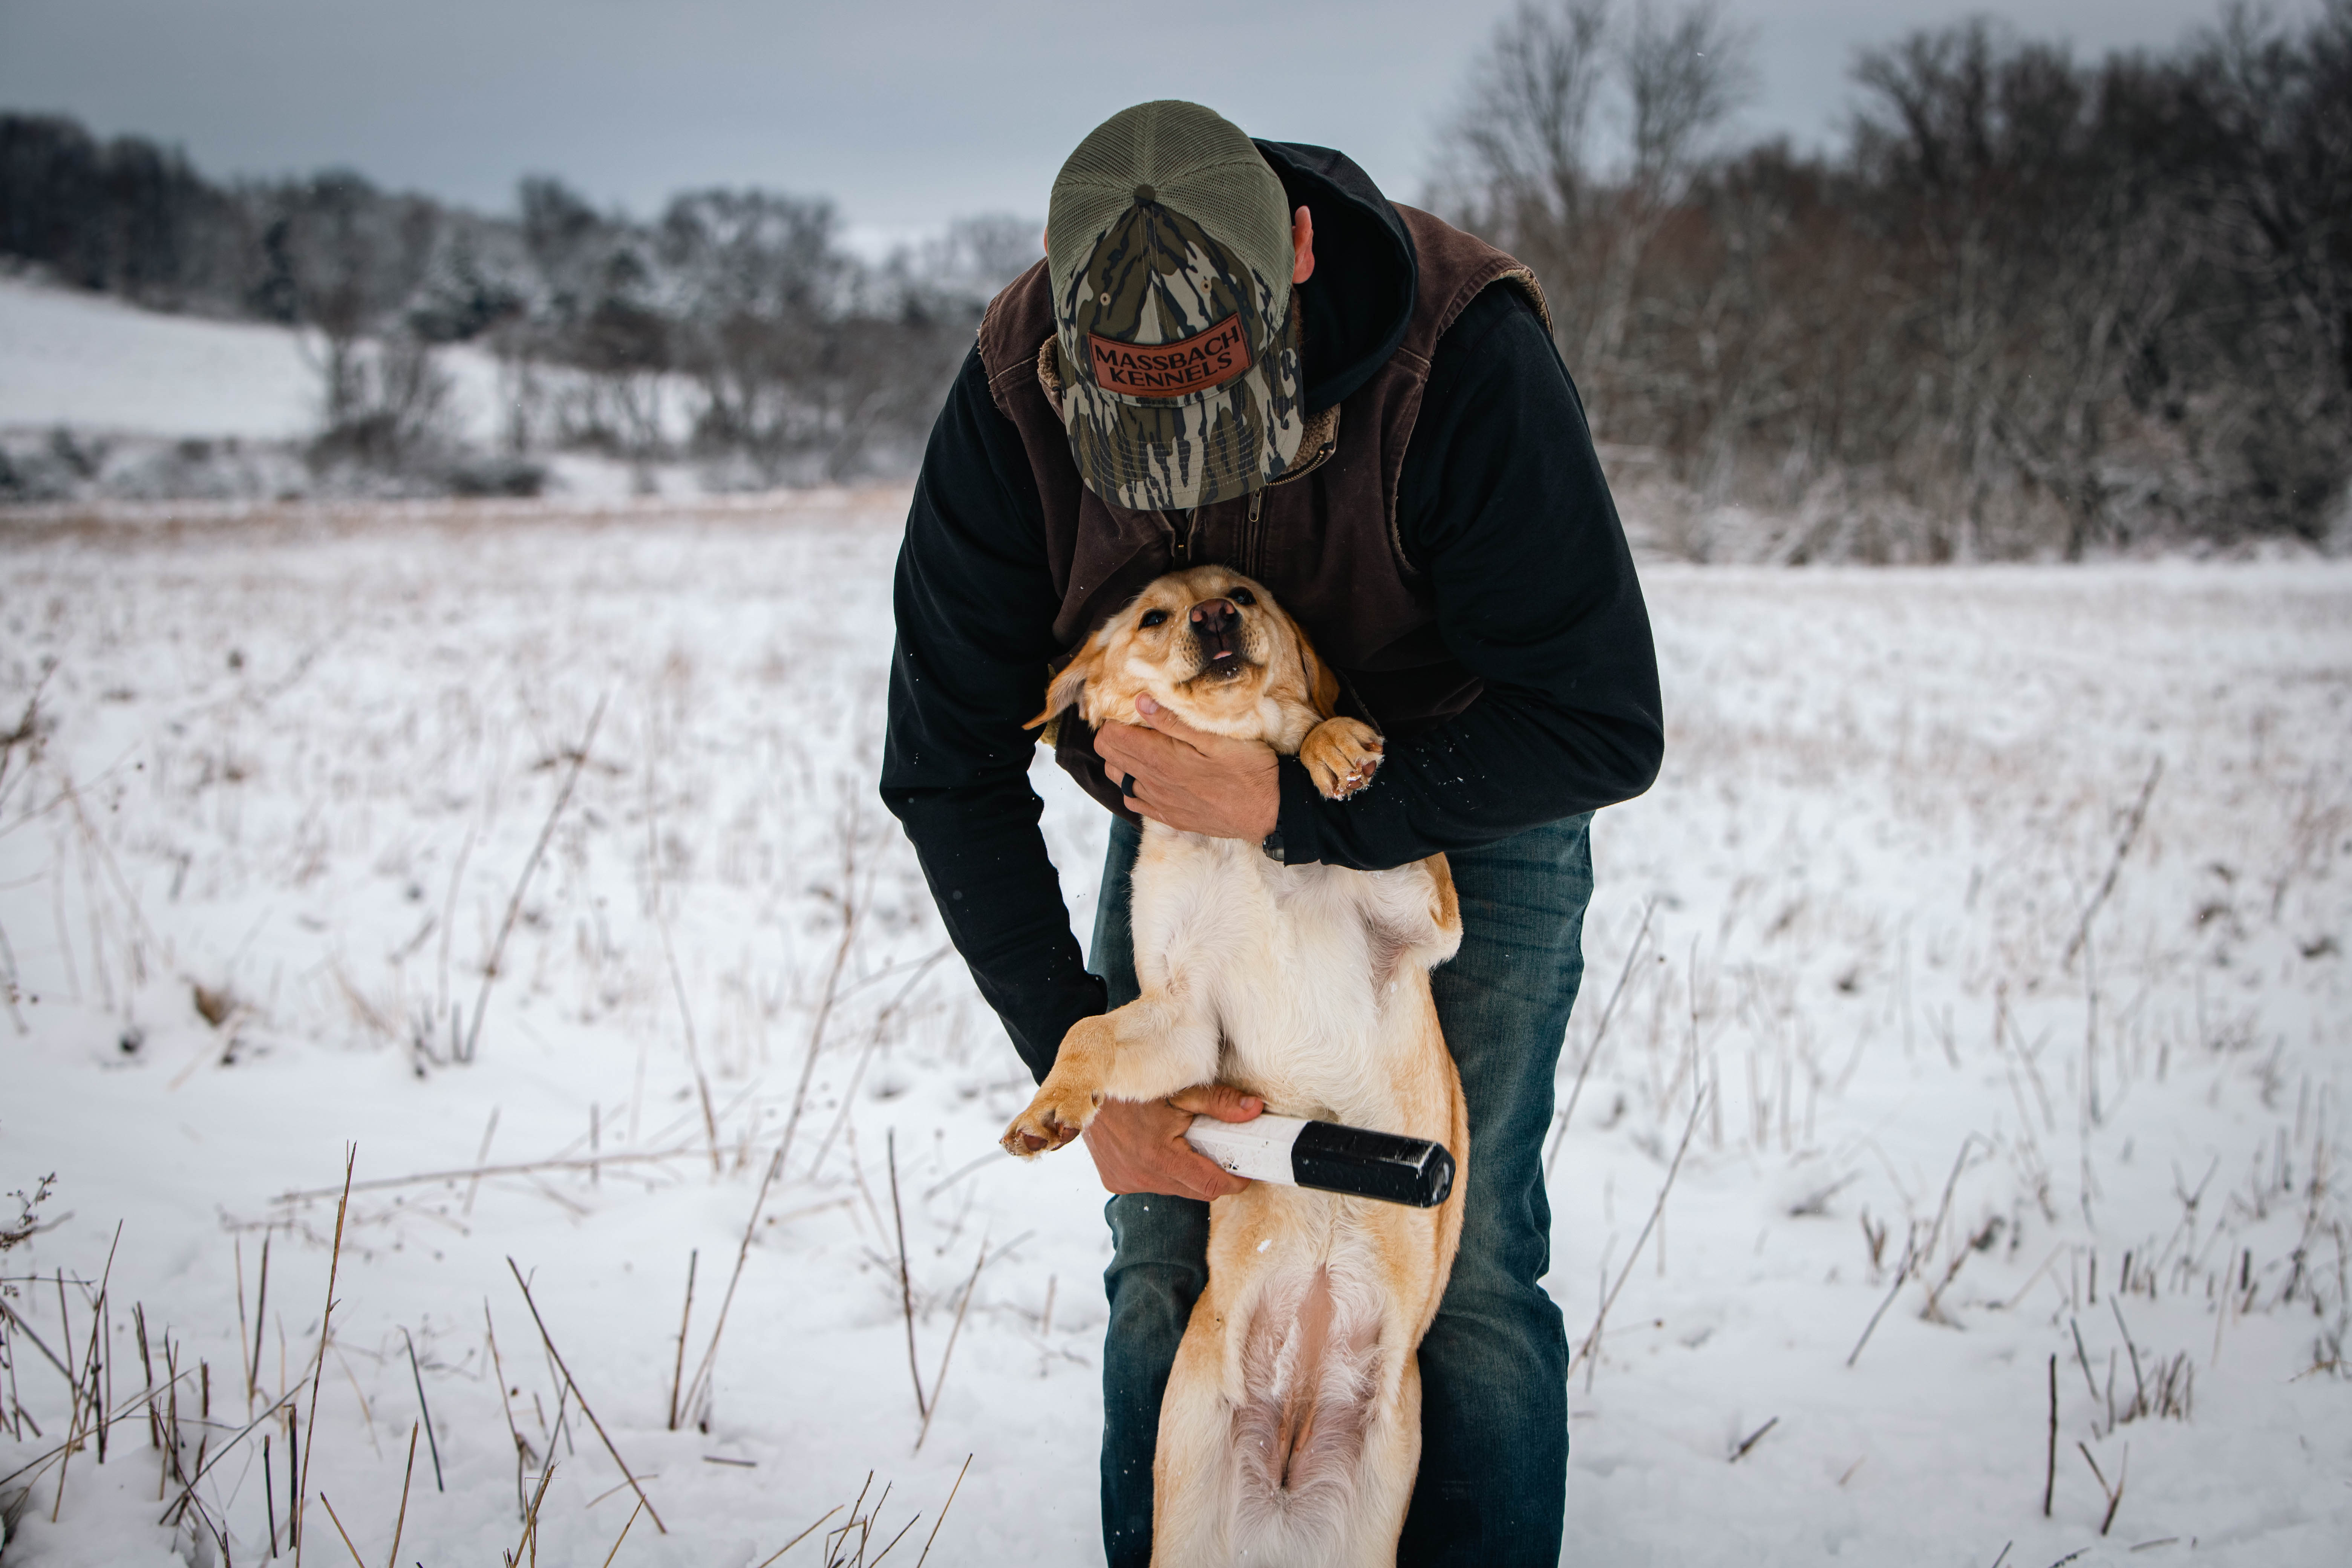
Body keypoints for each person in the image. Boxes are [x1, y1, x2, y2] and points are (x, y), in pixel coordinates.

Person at [880, 99, 1661, 1566]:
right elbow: (944, 767)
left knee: (1470, 1269)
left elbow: (1603, 719)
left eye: (1218, 416)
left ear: (1301, 254)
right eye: (1140, 437)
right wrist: (1081, 1053)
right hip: (1191, 829)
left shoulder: (1463, 354)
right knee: (1162, 1251)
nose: (1181, 472)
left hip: (1463, 794)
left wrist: (1301, 808)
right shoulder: (1013, 396)